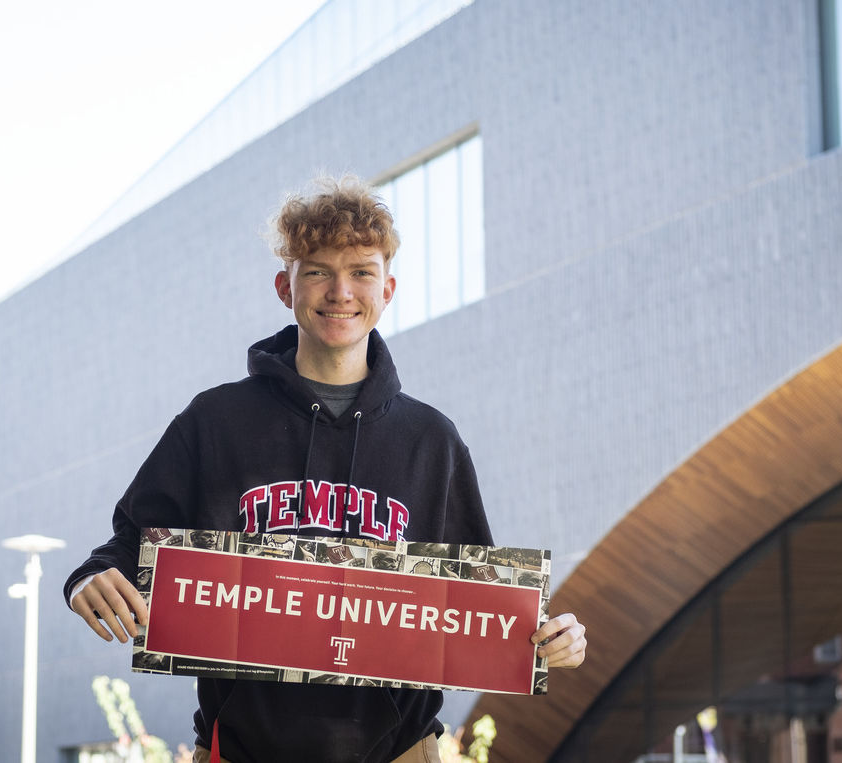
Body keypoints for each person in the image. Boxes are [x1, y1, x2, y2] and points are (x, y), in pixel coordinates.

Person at [63, 176, 587, 762]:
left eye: (361, 271)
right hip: (244, 749)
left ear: (387, 288)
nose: (341, 291)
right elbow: (126, 547)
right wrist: (89, 580)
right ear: (286, 286)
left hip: (401, 751)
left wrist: (551, 639)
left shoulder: (430, 440)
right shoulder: (216, 421)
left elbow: (480, 607)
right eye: (317, 271)